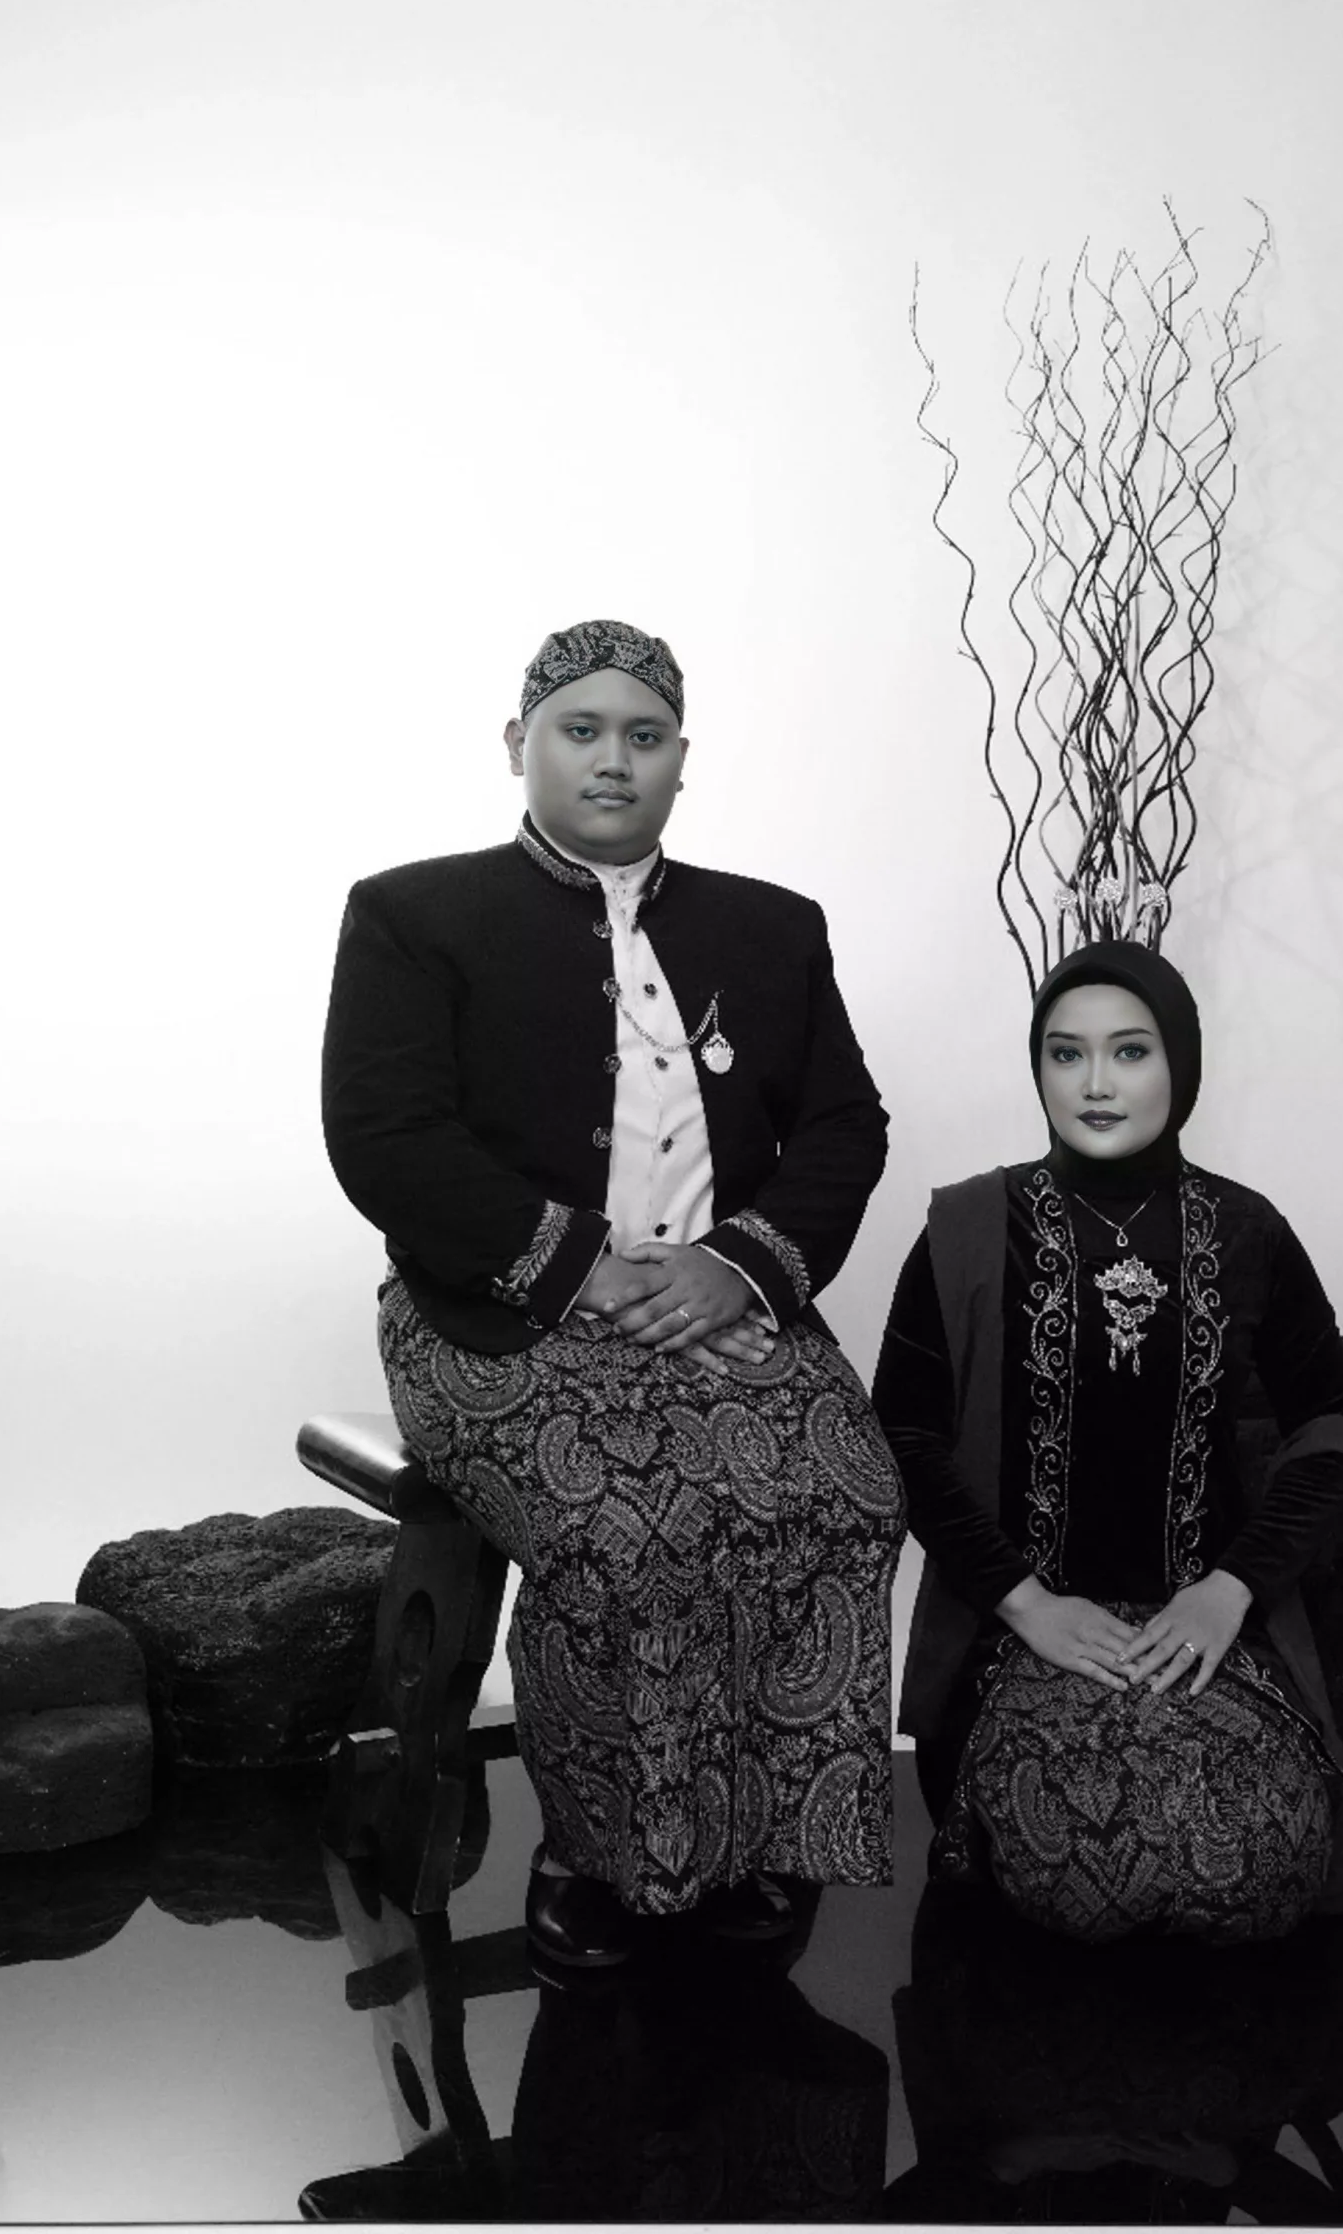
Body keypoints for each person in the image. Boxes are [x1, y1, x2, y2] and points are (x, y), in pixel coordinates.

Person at [322, 618, 904, 1970]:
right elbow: (386, 1136)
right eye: (579, 730)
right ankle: (594, 1852)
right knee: (626, 1524)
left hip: (723, 1300)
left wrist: (737, 1264)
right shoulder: (413, 916)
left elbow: (845, 1124)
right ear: (516, 745)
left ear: (681, 761)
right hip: (499, 1308)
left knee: (846, 1490)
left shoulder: (772, 927)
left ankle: (767, 1838)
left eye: (644, 737)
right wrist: (583, 1267)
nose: (612, 760)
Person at [874, 938, 1343, 1943]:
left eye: (1130, 1051)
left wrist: (1230, 1588)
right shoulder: (969, 1229)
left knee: (1257, 1857)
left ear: (1182, 1063)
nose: (1096, 1083)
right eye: (1066, 1054)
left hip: (1210, 1631)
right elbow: (904, 1436)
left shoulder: (1248, 1231)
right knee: (1097, 1867)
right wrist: (1028, 1603)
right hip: (1020, 1635)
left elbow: (1341, 1428)